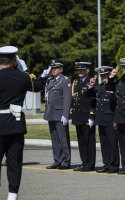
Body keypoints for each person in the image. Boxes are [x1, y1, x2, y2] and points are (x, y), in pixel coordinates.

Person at [0, 46, 47, 200]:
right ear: (14, 60)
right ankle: (12, 196)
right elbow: (38, 85)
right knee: (14, 164)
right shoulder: (23, 77)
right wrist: (25, 70)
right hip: (16, 125)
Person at [89, 66, 120, 174]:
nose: (103, 77)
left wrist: (116, 119)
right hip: (101, 118)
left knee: (112, 143)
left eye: (105, 75)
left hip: (110, 118)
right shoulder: (99, 87)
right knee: (104, 143)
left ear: (109, 75)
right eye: (101, 76)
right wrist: (90, 86)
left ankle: (114, 165)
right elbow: (90, 97)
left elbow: (116, 104)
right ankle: (106, 164)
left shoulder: (113, 85)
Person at [44, 59, 72, 170]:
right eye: (52, 68)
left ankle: (65, 161)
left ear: (61, 69)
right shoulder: (50, 80)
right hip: (51, 113)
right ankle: (57, 160)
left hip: (60, 113)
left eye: (55, 68)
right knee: (54, 139)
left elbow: (67, 99)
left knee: (63, 139)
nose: (53, 70)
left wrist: (65, 114)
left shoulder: (65, 80)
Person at [71, 62, 96, 172]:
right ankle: (84, 162)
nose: (80, 72)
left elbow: (94, 99)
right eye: (79, 70)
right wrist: (71, 113)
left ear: (87, 70)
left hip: (87, 115)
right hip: (78, 115)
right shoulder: (76, 81)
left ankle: (90, 164)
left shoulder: (91, 81)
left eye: (82, 70)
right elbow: (74, 98)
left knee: (89, 141)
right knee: (81, 141)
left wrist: (91, 115)